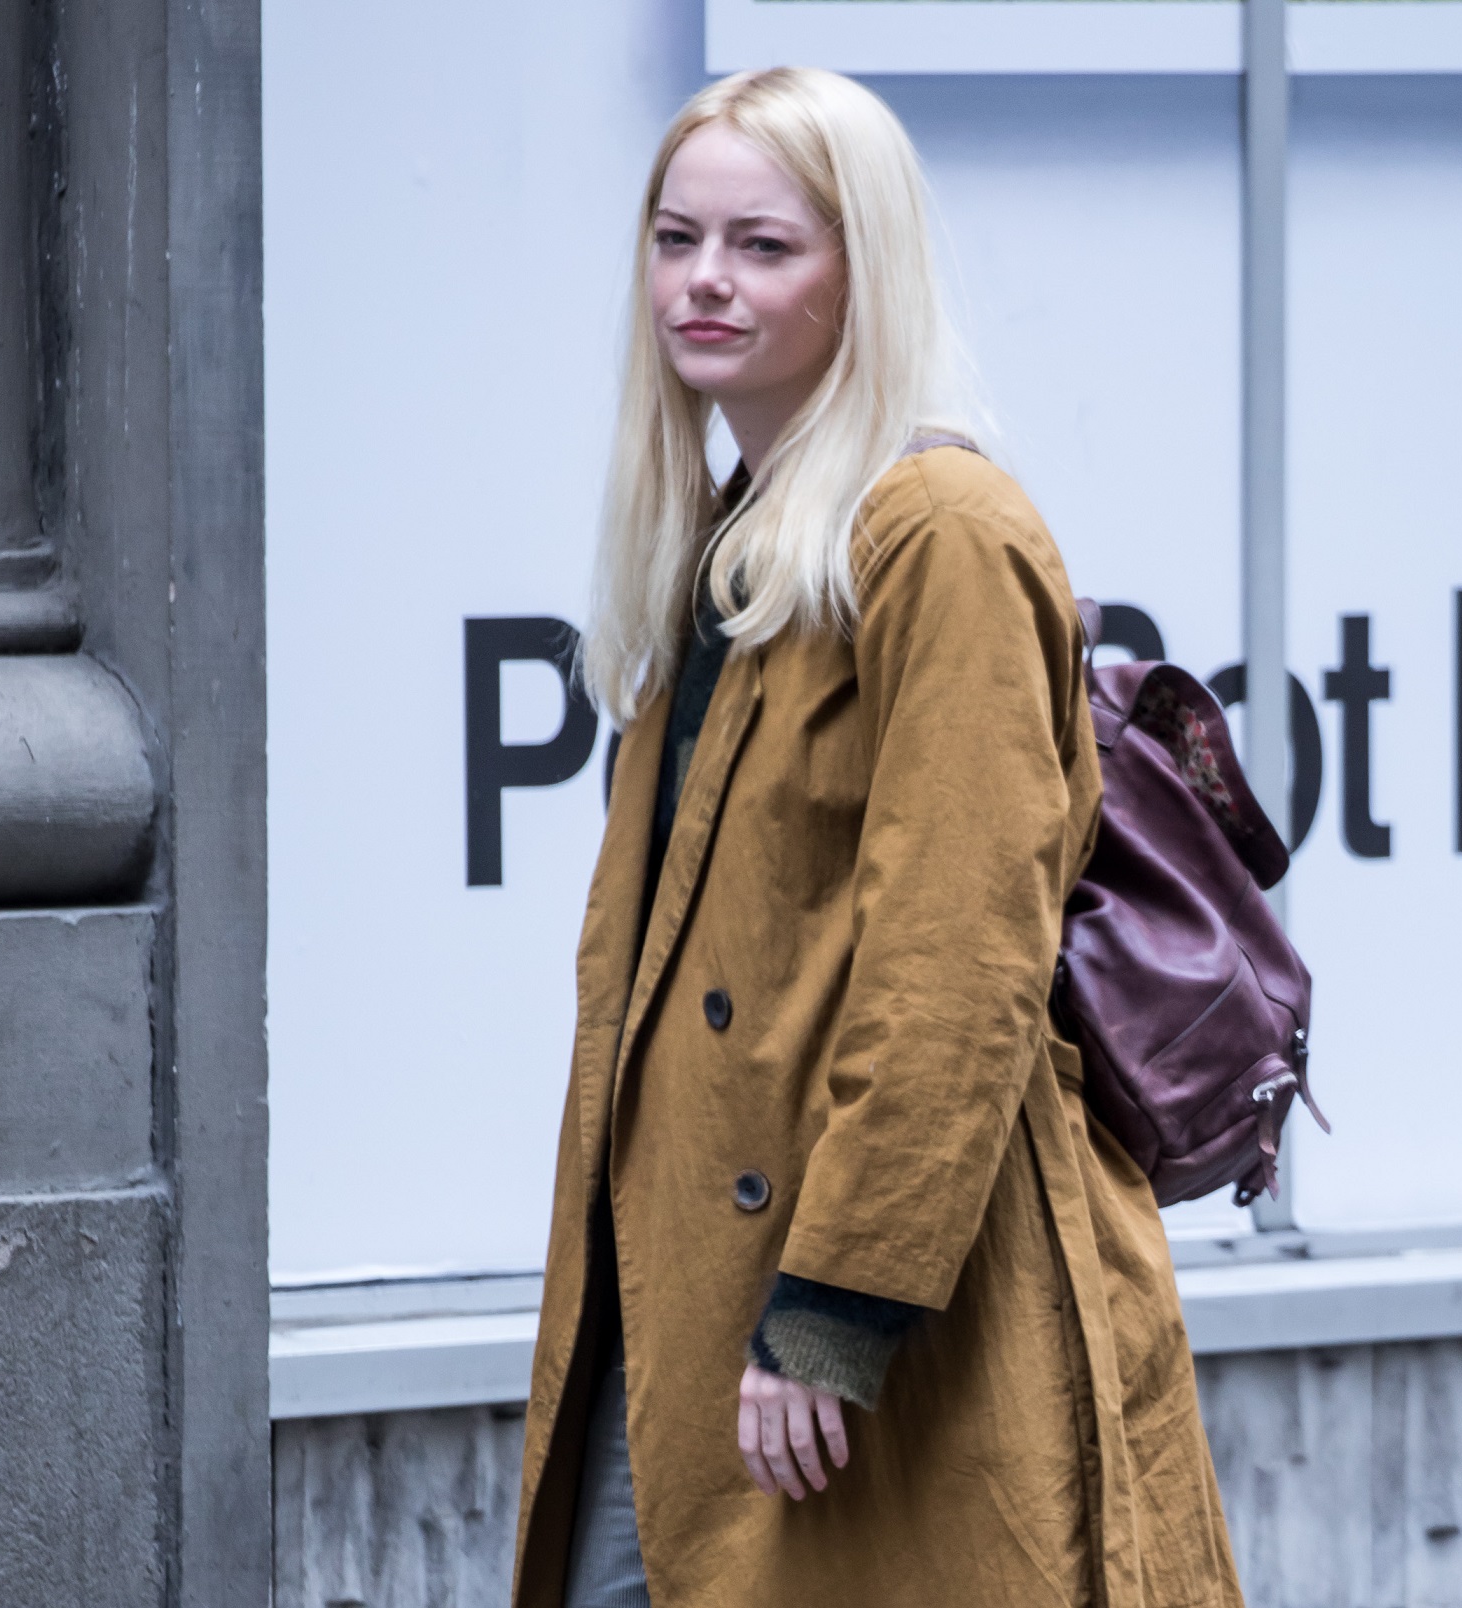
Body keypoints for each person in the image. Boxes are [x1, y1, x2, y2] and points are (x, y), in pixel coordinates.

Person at [512, 66, 1243, 1608]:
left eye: (765, 245)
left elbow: (955, 964)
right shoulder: (729, 537)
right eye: (676, 237)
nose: (704, 280)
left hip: (891, 1317)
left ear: (865, 272)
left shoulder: (940, 536)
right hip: (694, 1292)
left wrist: (833, 1312)